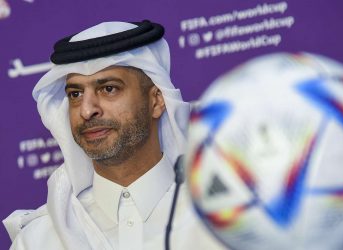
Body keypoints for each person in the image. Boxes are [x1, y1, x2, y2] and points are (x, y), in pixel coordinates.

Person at [3, 21, 224, 250]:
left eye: (108, 88)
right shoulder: (39, 241)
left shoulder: (224, 218)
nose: (87, 110)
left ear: (156, 100)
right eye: (76, 94)